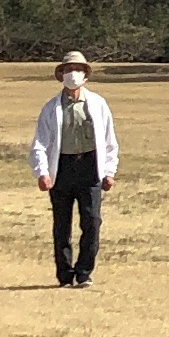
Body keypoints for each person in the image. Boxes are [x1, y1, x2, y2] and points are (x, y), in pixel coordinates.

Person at [30, 51, 116, 287]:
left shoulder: (97, 104)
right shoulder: (51, 108)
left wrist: (109, 172)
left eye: (77, 70)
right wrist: (42, 172)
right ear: (61, 75)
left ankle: (84, 271)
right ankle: (64, 274)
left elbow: (109, 141)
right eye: (68, 70)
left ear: (86, 75)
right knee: (61, 224)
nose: (73, 74)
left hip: (90, 167)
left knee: (91, 221)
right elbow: (40, 142)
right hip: (63, 168)